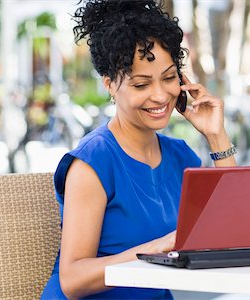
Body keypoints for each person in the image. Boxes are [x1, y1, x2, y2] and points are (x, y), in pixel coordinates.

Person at [41, 1, 236, 299]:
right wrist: (155, 249)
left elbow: (235, 230)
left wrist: (216, 135)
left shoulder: (179, 157)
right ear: (110, 85)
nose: (160, 95)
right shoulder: (94, 162)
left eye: (169, 78)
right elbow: (73, 280)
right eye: (141, 84)